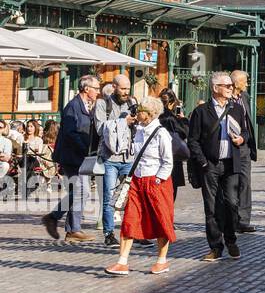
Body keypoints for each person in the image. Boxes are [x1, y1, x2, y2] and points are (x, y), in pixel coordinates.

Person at [188, 71, 255, 262]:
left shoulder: (236, 108)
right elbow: (192, 140)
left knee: (231, 203)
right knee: (211, 207)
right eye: (227, 86)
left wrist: (242, 139)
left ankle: (231, 240)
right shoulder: (202, 112)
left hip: (230, 163)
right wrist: (202, 162)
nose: (231, 88)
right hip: (210, 164)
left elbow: (246, 132)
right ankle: (216, 247)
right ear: (215, 88)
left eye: (231, 86)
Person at [104, 97, 175, 276]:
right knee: (130, 218)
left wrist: (158, 180)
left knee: (161, 219)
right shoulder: (138, 130)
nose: (137, 113)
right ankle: (122, 261)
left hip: (155, 182)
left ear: (150, 114)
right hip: (137, 180)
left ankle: (161, 260)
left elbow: (168, 162)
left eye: (141, 111)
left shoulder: (161, 133)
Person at [43, 74, 101, 243]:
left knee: (79, 191)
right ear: (86, 88)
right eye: (96, 88)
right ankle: (68, 226)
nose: (98, 91)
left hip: (79, 157)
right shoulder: (73, 106)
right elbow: (70, 133)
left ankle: (64, 225)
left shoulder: (85, 105)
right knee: (81, 191)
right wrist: (86, 149)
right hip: (71, 157)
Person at [94, 74, 139, 247]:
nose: (126, 92)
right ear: (114, 87)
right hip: (110, 158)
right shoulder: (102, 104)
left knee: (133, 196)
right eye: (123, 88)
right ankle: (109, 233)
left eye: (128, 88)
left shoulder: (131, 103)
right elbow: (100, 128)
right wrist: (123, 121)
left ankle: (133, 232)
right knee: (109, 197)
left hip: (129, 157)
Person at [230, 69, 257, 233]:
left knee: (245, 183)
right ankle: (231, 220)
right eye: (244, 80)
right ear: (235, 83)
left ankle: (243, 220)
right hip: (231, 147)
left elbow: (247, 123)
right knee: (232, 183)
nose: (247, 83)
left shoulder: (244, 97)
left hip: (245, 146)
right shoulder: (227, 99)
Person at [158, 88, 192, 196]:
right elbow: (185, 132)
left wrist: (181, 119)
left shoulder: (162, 115)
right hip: (168, 154)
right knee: (168, 187)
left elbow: (185, 133)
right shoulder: (165, 116)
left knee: (168, 187)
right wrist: (182, 120)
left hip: (167, 154)